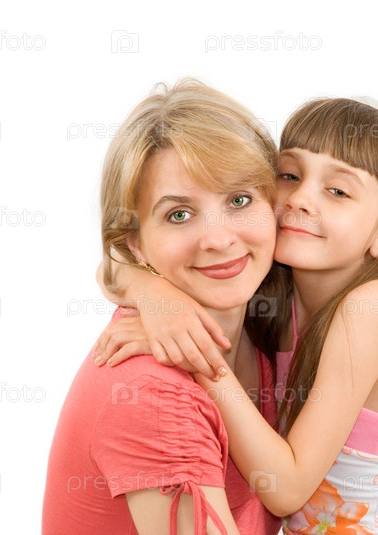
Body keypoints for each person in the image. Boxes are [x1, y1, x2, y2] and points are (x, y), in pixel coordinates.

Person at [95, 95, 378, 532]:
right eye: (290, 175)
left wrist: (196, 354)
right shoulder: (269, 289)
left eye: (337, 191)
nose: (301, 198)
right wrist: (157, 297)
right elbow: (113, 264)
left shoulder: (372, 308)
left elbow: (286, 489)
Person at [42, 78, 284, 534]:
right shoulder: (152, 398)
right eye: (179, 214)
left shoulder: (270, 326)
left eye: (239, 199)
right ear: (135, 242)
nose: (218, 239)